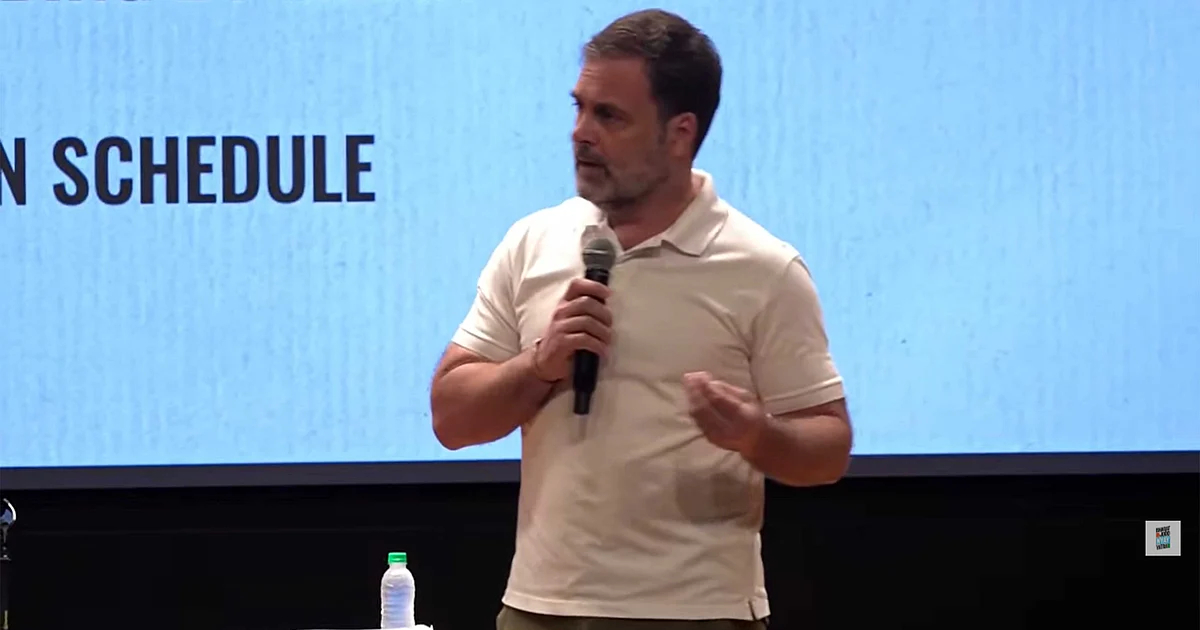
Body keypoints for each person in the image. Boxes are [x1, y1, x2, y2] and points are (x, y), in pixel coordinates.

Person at [429, 8, 852, 630]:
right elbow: (451, 418)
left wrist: (757, 435)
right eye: (579, 108)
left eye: (610, 116)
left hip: (696, 613)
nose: (581, 133)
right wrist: (538, 365)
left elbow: (829, 448)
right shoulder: (533, 242)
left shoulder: (763, 268)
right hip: (539, 608)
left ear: (680, 133)